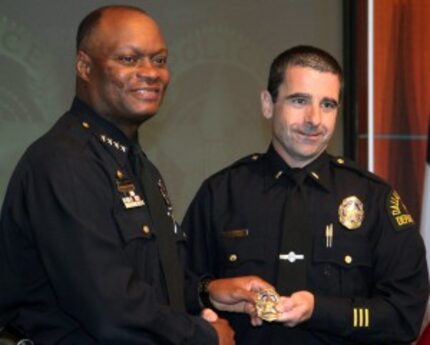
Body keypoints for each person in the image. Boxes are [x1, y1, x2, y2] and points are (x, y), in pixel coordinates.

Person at [0, 5, 270, 345]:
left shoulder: (135, 164)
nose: (151, 73)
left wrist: (206, 292)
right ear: (85, 66)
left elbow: (151, 281)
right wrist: (203, 337)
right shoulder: (65, 163)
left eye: (159, 60)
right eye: (129, 60)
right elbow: (109, 308)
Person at [182, 45, 429, 344]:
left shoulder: (374, 198)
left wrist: (320, 309)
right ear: (267, 104)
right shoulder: (221, 194)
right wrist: (209, 292)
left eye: (328, 104)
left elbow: (405, 315)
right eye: (300, 101)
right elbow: (177, 290)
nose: (314, 118)